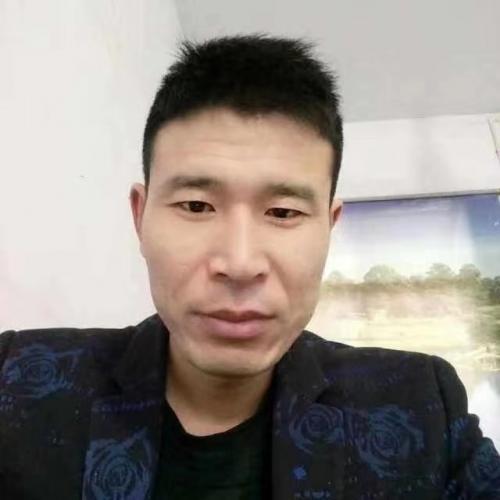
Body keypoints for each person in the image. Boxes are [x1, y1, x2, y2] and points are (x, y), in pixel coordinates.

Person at [0, 34, 499, 500]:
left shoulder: (420, 404)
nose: (239, 264)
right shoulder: (16, 380)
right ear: (140, 216)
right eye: (196, 206)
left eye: (283, 212)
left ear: (329, 227)